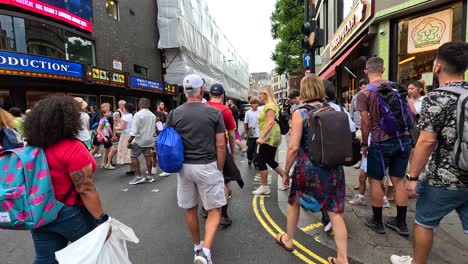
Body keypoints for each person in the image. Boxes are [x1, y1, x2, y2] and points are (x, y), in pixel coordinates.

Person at [391, 42, 468, 264]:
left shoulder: (437, 97)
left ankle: (417, 262)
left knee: (424, 221)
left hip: (444, 177)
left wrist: (412, 177)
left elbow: (426, 141)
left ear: (437, 67)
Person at [23, 96, 110, 264]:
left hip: (40, 210)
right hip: (69, 211)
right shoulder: (73, 148)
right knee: (91, 255)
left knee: (46, 260)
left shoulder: (32, 147)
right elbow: (85, 189)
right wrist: (102, 220)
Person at [276, 74, 348, 264]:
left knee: (294, 202)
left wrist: (285, 171)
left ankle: (289, 240)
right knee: (335, 212)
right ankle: (342, 258)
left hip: (308, 168)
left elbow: (292, 148)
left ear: (303, 91)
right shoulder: (334, 109)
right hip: (333, 167)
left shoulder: (300, 113)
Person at [166, 74, 227, 264]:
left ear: (185, 92)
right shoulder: (213, 113)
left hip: (184, 168)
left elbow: (167, 142)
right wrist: (220, 167)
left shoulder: (174, 114)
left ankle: (197, 247)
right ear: (202, 90)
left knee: (190, 209)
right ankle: (206, 252)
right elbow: (221, 145)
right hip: (207, 165)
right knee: (214, 210)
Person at [356, 57, 412, 236]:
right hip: (404, 139)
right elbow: (412, 111)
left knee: (375, 180)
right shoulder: (398, 87)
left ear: (366, 72)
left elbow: (365, 123)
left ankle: (377, 221)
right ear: (383, 69)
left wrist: (365, 144)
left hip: (381, 142)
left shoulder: (364, 94)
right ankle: (401, 222)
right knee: (398, 180)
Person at [206, 83, 236, 226]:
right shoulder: (226, 111)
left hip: (205, 150)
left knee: (206, 181)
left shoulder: (203, 108)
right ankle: (223, 214)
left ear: (209, 95)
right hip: (222, 149)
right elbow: (231, 134)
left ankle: (207, 209)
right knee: (225, 181)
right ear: (223, 95)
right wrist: (233, 152)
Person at [252, 86, 289, 195]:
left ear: (266, 94)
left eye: (260, 93)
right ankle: (286, 179)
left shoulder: (269, 106)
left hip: (270, 136)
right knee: (270, 160)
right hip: (272, 135)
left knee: (260, 160)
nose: (259, 95)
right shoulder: (271, 105)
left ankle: (264, 187)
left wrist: (261, 137)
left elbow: (270, 122)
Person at [127, 98, 156, 185]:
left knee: (133, 156)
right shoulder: (153, 115)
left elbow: (134, 130)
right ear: (149, 105)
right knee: (148, 157)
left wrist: (129, 141)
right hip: (149, 140)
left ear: (140, 104)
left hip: (139, 140)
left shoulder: (138, 114)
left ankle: (138, 176)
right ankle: (149, 176)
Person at [151, 111, 170, 177]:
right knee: (153, 155)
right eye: (156, 116)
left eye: (158, 116)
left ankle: (166, 171)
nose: (157, 118)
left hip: (158, 141)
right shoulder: (153, 123)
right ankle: (153, 169)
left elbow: (161, 132)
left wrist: (155, 128)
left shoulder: (159, 123)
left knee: (160, 156)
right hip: (153, 141)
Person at [116, 103, 135, 170]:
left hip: (125, 135)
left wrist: (115, 127)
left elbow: (121, 128)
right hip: (131, 135)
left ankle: (133, 169)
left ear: (126, 109)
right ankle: (133, 169)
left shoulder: (125, 117)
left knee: (127, 152)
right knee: (130, 152)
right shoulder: (132, 116)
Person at [244, 98, 260, 166]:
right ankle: (249, 158)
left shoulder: (260, 112)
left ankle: (255, 161)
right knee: (250, 150)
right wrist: (245, 133)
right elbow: (245, 124)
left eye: (256, 103)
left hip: (259, 134)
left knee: (256, 151)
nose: (256, 105)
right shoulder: (248, 113)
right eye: (254, 103)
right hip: (250, 134)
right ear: (251, 104)